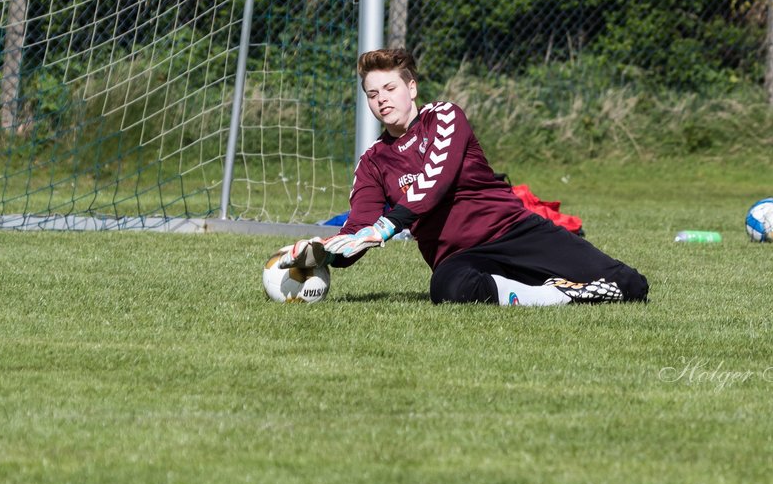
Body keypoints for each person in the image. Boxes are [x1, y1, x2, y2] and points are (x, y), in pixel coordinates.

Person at [277, 48, 649, 306]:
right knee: (448, 288)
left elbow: (433, 180)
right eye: (372, 94)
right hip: (460, 256)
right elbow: (358, 228)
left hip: (514, 232)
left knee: (631, 285)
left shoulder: (443, 117)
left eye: (390, 88)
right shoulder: (373, 161)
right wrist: (323, 252)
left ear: (411, 88)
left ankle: (543, 285)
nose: (381, 100)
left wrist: (387, 226)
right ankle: (553, 294)